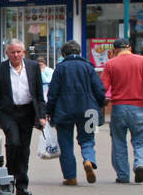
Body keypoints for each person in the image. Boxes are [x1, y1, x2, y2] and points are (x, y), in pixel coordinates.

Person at [0, 39, 46, 195]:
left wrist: (42, 116)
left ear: (24, 53)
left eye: (19, 52)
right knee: (13, 143)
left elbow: (39, 95)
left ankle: (22, 184)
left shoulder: (33, 67)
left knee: (24, 149)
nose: (16, 55)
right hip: (9, 112)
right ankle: (10, 177)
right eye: (12, 52)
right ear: (7, 54)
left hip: (27, 113)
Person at [44, 41, 106, 186]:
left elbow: (53, 93)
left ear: (63, 54)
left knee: (65, 144)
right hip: (89, 111)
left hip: (64, 111)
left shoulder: (60, 68)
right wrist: (101, 103)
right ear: (79, 52)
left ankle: (70, 177)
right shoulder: (89, 67)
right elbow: (99, 89)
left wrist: (48, 111)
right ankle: (88, 160)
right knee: (88, 140)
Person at [102, 36, 143, 184]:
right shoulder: (141, 60)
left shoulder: (110, 64)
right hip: (139, 107)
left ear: (115, 50)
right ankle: (140, 163)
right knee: (140, 140)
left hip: (119, 107)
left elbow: (104, 87)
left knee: (119, 141)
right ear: (130, 48)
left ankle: (123, 175)